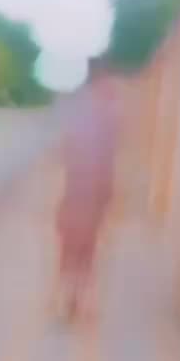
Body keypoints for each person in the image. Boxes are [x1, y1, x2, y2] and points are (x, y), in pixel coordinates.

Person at [53, 62, 121, 322]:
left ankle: (71, 296)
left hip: (83, 191)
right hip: (84, 191)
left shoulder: (89, 112)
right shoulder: (100, 114)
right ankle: (71, 296)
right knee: (79, 246)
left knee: (79, 246)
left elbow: (66, 152)